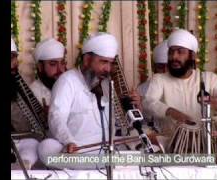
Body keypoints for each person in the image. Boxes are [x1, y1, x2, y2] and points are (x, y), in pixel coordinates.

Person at [37, 33, 142, 169]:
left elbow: (121, 126)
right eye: (104, 62)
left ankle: (105, 165)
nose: (108, 69)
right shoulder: (68, 81)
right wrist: (69, 141)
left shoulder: (107, 84)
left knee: (150, 148)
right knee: (47, 147)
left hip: (107, 149)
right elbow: (56, 117)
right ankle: (104, 166)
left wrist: (137, 107)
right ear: (87, 60)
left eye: (110, 63)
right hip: (77, 150)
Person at [143, 29, 217, 136]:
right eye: (171, 52)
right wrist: (171, 112)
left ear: (192, 56)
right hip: (172, 144)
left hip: (204, 142)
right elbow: (148, 102)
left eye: (180, 52)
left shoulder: (209, 79)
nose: (174, 57)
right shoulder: (159, 79)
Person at [11, 37, 39, 170]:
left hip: (21, 143)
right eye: (11, 58)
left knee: (33, 145)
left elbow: (26, 129)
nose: (15, 63)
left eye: (15, 57)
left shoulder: (16, 85)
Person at [137, 40, 168, 133]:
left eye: (168, 67)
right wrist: (139, 106)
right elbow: (139, 123)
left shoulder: (184, 86)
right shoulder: (142, 89)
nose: (164, 71)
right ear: (154, 68)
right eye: (160, 67)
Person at [30, 38, 67, 109]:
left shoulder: (68, 87)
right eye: (53, 64)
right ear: (40, 67)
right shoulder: (32, 94)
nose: (60, 70)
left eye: (62, 63)